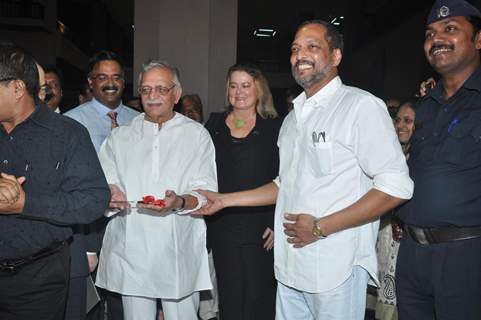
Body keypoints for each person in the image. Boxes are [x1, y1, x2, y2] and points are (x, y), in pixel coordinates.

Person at [194, 20, 413, 320]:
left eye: (312, 46)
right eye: (295, 48)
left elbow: (396, 187)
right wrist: (225, 200)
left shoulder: (359, 107)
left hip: (335, 266)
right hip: (289, 269)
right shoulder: (292, 120)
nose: (300, 54)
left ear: (336, 56)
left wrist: (322, 227)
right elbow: (284, 184)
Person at [95, 59, 217, 320]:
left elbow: (206, 192)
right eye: (146, 90)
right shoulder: (120, 136)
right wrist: (110, 195)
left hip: (178, 246)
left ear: (177, 94)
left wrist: (180, 202)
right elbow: (105, 182)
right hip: (132, 247)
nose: (152, 96)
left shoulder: (196, 135)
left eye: (161, 89)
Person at [0, 44, 110, 319]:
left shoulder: (67, 134)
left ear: (16, 88)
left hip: (38, 281)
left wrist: (26, 204)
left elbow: (94, 200)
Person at [396, 1, 481, 319]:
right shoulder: (423, 107)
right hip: (412, 254)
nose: (438, 38)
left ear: (478, 40)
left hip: (466, 257)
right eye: (430, 33)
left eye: (451, 29)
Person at [64, 50, 139, 320]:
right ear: (90, 81)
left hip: (131, 222)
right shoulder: (71, 122)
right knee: (88, 304)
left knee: (126, 302)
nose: (111, 83)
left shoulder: (138, 120)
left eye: (117, 77)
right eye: (102, 77)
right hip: (90, 225)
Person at [204, 63, 280, 319]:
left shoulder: (275, 128)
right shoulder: (213, 124)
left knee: (260, 299)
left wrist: (276, 222)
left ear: (259, 89)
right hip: (221, 225)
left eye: (246, 85)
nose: (239, 92)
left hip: (261, 228)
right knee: (230, 299)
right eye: (233, 85)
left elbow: (286, 180)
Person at [375, 100, 417, 320]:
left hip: (409, 239)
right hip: (384, 234)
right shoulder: (389, 154)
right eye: (398, 120)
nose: (400, 125)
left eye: (408, 121)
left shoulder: (422, 157)